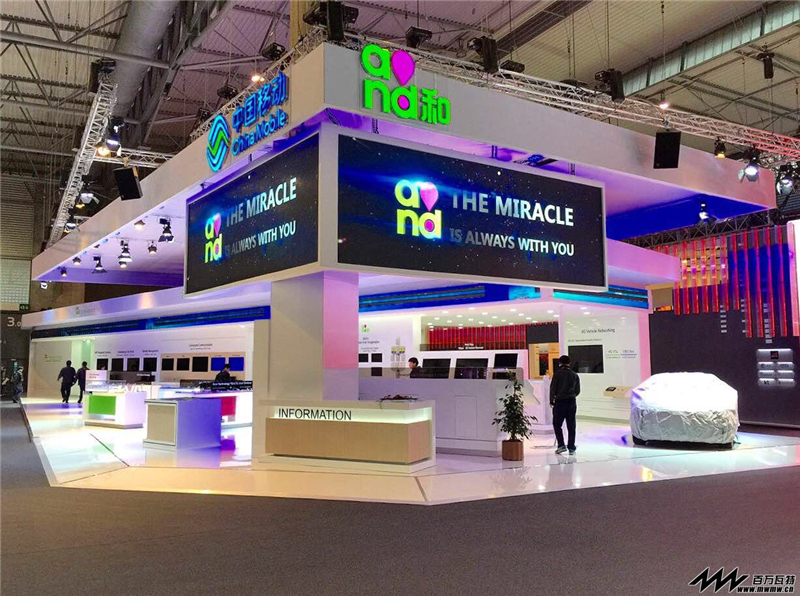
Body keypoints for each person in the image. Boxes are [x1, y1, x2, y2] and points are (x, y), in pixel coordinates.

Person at [549, 355, 581, 455]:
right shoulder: (575, 375)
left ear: (560, 363)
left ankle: (561, 445)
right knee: (571, 425)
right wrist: (571, 396)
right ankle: (571, 447)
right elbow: (577, 390)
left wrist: (551, 400)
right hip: (571, 402)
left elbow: (553, 389)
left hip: (560, 402)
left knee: (557, 424)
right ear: (569, 363)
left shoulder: (557, 374)